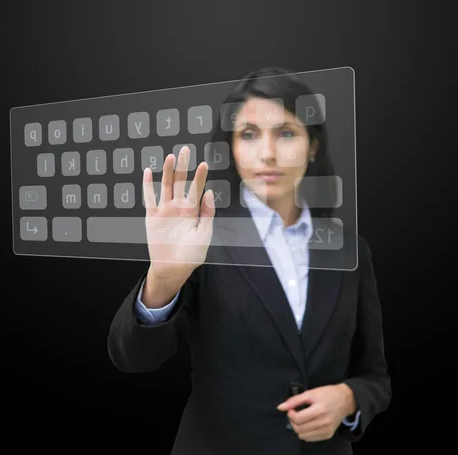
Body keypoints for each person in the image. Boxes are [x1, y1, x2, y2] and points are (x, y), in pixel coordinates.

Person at [107, 66, 391, 455]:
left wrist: (349, 399)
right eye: (249, 135)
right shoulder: (200, 236)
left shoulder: (349, 249)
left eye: (286, 133)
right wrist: (162, 279)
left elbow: (374, 376)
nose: (267, 153)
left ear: (313, 146)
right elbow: (132, 358)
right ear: (231, 148)